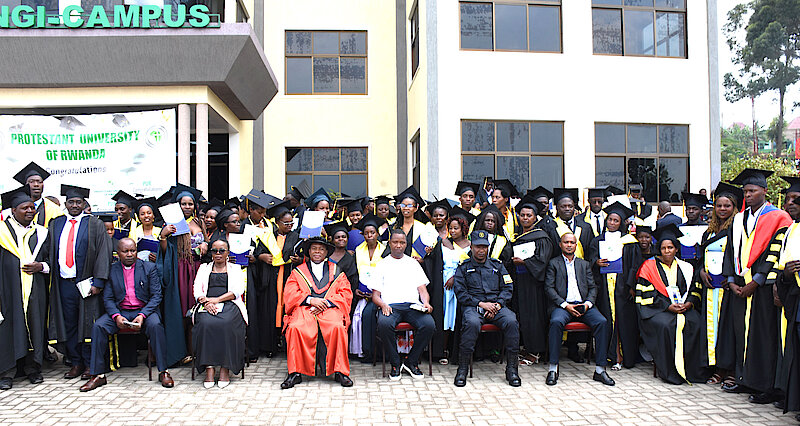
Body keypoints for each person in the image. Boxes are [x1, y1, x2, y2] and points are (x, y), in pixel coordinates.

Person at [723, 168, 792, 403]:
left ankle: (765, 386)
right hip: (740, 285)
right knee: (741, 334)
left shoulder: (778, 218)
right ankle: (744, 379)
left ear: (764, 190)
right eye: (745, 191)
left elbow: (776, 252)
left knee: (763, 336)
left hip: (762, 288)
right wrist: (731, 280)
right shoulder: (739, 218)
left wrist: (757, 281)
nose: (748, 195)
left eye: (752, 191)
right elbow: (730, 250)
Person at [79, 238, 173, 391]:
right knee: (98, 326)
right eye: (126, 251)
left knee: (156, 325)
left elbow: (156, 296)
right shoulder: (112, 270)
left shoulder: (149, 268)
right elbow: (108, 298)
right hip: (121, 311)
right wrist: (116, 316)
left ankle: (164, 372)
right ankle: (98, 375)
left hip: (144, 311)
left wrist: (142, 315)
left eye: (133, 251)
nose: (130, 254)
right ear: (118, 253)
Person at [48, 184, 113, 381]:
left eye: (78, 202)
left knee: (88, 323)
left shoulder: (94, 224)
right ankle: (75, 362)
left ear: (84, 204)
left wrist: (98, 281)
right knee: (69, 323)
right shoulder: (56, 224)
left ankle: (89, 364)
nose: (75, 205)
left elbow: (103, 252)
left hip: (87, 283)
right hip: (64, 283)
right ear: (65, 204)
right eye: (71, 202)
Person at [635, 223, 707, 384]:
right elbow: (646, 296)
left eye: (670, 247)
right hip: (657, 310)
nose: (667, 251)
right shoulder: (649, 267)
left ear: (676, 249)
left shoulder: (686, 267)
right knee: (666, 326)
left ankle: (693, 370)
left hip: (683, 307)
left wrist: (688, 304)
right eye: (663, 248)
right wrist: (667, 306)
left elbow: (694, 290)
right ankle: (669, 371)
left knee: (696, 322)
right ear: (659, 249)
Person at [544, 233, 614, 386]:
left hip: (584, 305)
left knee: (602, 322)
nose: (569, 245)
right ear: (560, 244)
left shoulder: (584, 264)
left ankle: (600, 370)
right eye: (566, 242)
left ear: (576, 245)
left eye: (572, 242)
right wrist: (566, 305)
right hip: (563, 306)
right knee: (556, 322)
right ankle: (553, 368)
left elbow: (593, 287)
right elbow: (549, 288)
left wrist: (587, 304)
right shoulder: (553, 263)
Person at [282, 237, 353, 388]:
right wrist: (310, 300)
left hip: (329, 308)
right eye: (314, 248)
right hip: (305, 307)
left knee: (337, 327)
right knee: (295, 327)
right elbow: (290, 293)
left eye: (321, 249)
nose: (317, 252)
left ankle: (340, 372)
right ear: (308, 251)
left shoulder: (336, 271)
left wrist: (325, 303)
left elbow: (345, 293)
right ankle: (295, 373)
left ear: (326, 252)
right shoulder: (298, 272)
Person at [452, 229, 521, 387]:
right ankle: (462, 369)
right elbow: (461, 292)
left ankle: (512, 369)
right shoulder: (463, 267)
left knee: (511, 321)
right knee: (471, 323)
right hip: (474, 306)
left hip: (496, 305)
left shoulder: (498, 266)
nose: (481, 250)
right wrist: (482, 305)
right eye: (478, 247)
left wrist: (497, 305)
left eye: (484, 247)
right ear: (471, 247)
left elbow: (508, 288)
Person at [0, 186, 50, 390]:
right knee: (8, 327)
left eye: (32, 207)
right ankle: (7, 371)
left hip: (35, 289)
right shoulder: (2, 232)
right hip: (7, 289)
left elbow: (51, 261)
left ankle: (33, 368)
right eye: (24, 208)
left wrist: (41, 266)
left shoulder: (41, 233)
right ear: (13, 211)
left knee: (34, 325)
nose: (30, 211)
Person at [372, 229, 435, 380]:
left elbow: (423, 290)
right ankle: (395, 363)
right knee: (384, 324)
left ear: (406, 244)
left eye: (402, 242)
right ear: (389, 243)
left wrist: (426, 302)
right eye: (395, 242)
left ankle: (411, 361)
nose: (398, 245)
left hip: (412, 306)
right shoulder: (382, 264)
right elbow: (375, 296)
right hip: (391, 306)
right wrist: (383, 305)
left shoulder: (413, 263)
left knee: (429, 325)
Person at [698, 182, 743, 388]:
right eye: (719, 205)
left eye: (727, 206)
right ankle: (716, 368)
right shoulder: (709, 232)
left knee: (728, 330)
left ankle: (730, 370)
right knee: (713, 328)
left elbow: (740, 257)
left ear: (734, 208)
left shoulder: (738, 230)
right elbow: (700, 258)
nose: (722, 209)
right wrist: (701, 272)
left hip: (727, 290)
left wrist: (731, 277)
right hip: (711, 290)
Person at [586, 202, 638, 370]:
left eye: (616, 220)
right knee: (607, 320)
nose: (612, 223)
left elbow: (634, 265)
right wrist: (596, 262)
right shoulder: (598, 240)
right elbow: (590, 259)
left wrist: (630, 285)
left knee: (623, 321)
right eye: (610, 219)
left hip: (623, 288)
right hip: (603, 287)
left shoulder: (629, 241)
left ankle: (622, 356)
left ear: (621, 223)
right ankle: (607, 355)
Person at [192, 238, 248, 389]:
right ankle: (209, 368)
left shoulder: (236, 268)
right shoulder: (203, 268)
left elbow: (237, 291)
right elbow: (197, 290)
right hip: (206, 304)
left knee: (226, 323)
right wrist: (206, 302)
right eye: (214, 251)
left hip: (230, 304)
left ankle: (225, 368)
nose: (218, 254)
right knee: (205, 323)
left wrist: (216, 300)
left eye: (222, 251)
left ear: (228, 253)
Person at [510, 195, 553, 360]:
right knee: (522, 316)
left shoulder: (541, 237)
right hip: (519, 281)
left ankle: (535, 351)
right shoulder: (517, 236)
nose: (525, 218)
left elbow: (543, 261)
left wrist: (524, 262)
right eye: (522, 215)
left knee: (534, 317)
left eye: (529, 215)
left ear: (535, 218)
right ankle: (526, 347)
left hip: (534, 284)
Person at [263, 201, 302, 357]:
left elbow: (303, 255)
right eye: (286, 223)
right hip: (270, 278)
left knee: (287, 308)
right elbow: (259, 252)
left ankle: (288, 345)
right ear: (277, 222)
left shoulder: (296, 237)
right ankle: (270, 346)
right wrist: (261, 256)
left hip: (288, 277)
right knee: (271, 309)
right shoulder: (268, 236)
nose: (289, 225)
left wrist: (299, 260)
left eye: (291, 222)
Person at [774, 192, 800, 417]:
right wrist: (786, 276)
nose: (791, 204)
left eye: (796, 200)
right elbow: (785, 265)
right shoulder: (792, 229)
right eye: (789, 200)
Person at [434, 211, 473, 364]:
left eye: (456, 228)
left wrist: (455, 278)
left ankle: (456, 351)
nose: (452, 231)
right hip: (444, 284)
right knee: (445, 316)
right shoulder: (444, 243)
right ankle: (443, 350)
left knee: (457, 316)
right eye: (450, 228)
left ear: (463, 229)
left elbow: (470, 266)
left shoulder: (470, 246)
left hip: (462, 284)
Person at [352, 214, 388, 361]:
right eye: (366, 233)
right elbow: (355, 273)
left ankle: (374, 353)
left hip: (381, 294)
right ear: (363, 235)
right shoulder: (358, 250)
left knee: (368, 314)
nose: (369, 235)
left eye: (372, 232)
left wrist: (377, 293)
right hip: (363, 293)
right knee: (358, 315)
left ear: (377, 234)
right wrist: (356, 289)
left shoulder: (385, 250)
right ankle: (365, 351)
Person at [423, 199, 451, 362]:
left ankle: (444, 350)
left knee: (446, 315)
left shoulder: (452, 234)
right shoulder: (427, 233)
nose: (438, 218)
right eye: (435, 215)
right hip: (432, 277)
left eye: (441, 215)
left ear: (447, 217)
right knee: (435, 313)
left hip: (448, 279)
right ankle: (431, 350)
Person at [390, 186, 434, 261]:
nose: (406, 208)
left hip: (415, 263)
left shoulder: (423, 228)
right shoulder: (394, 227)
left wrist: (427, 253)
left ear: (416, 208)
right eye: (403, 205)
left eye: (409, 205)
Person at [12, 161, 63, 227]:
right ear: (25, 185)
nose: (36, 184)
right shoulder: (16, 208)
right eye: (31, 182)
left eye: (39, 182)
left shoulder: (54, 209)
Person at [551, 188, 593, 260]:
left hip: (583, 265)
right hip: (558, 266)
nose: (567, 209)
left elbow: (590, 252)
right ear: (557, 208)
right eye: (563, 206)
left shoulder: (585, 227)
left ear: (574, 207)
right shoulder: (550, 227)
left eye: (570, 206)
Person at [127, 198, 161, 263]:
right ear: (139, 217)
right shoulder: (133, 232)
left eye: (149, 213)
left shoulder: (160, 231)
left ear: (153, 215)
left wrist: (158, 259)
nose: (146, 216)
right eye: (142, 214)